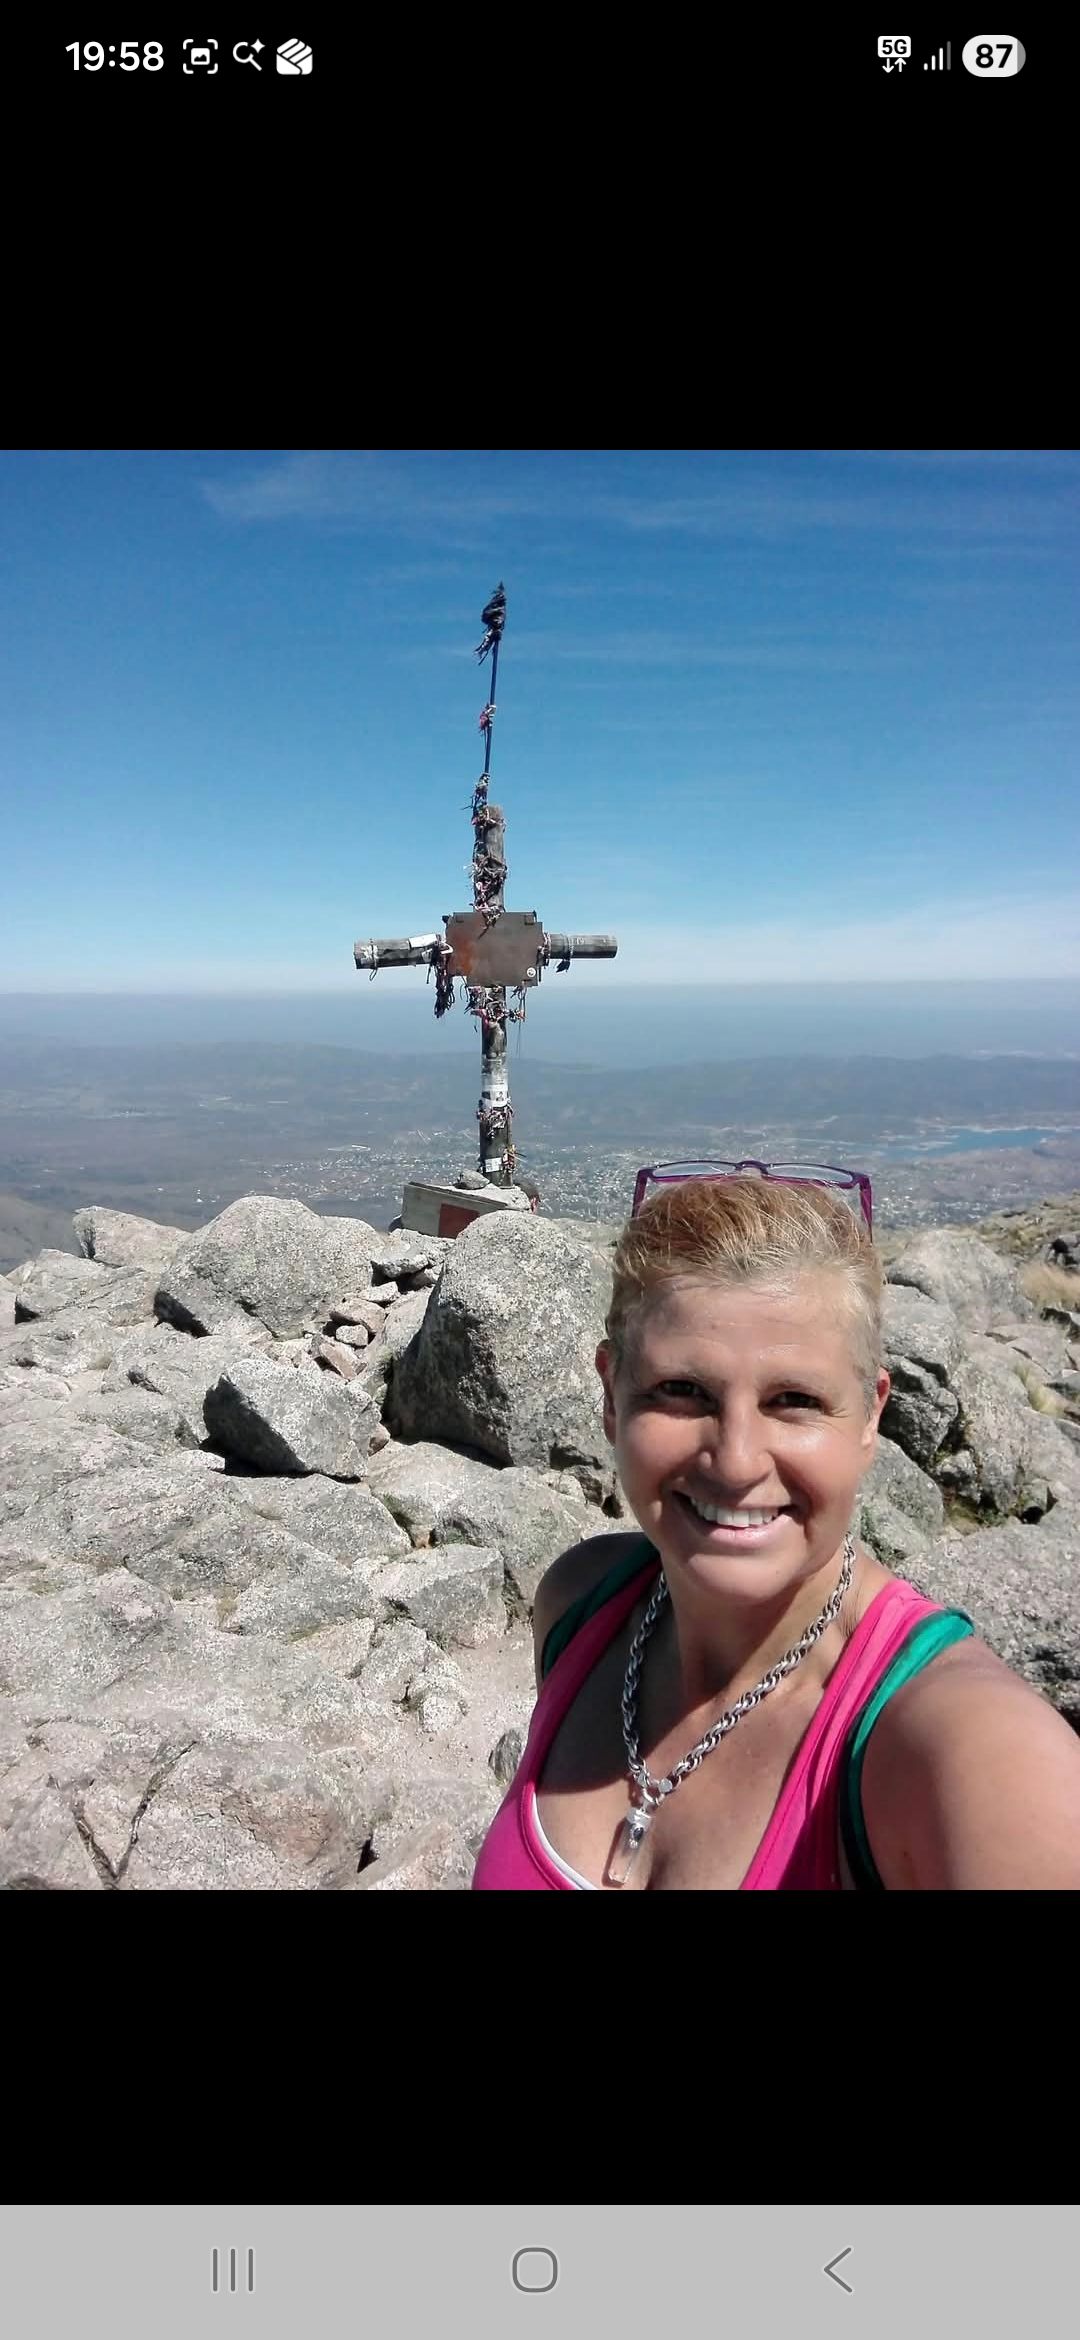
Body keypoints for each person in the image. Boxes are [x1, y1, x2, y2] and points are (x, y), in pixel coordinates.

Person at [472, 1165, 1080, 1889]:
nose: (734, 1461)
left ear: (871, 1414)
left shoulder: (975, 1756)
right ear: (611, 1396)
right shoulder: (579, 1605)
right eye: (681, 1391)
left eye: (794, 1399)